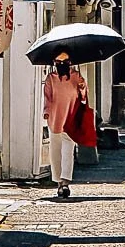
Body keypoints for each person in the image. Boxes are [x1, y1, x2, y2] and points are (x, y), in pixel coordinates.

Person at [43, 52, 88, 199]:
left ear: (70, 62)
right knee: (55, 151)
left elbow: (83, 97)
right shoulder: (51, 78)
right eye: (58, 61)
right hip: (55, 119)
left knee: (68, 150)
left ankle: (65, 182)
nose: (62, 64)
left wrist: (82, 87)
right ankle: (58, 182)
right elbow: (47, 98)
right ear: (54, 62)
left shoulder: (76, 77)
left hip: (71, 119)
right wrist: (46, 112)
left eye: (65, 61)